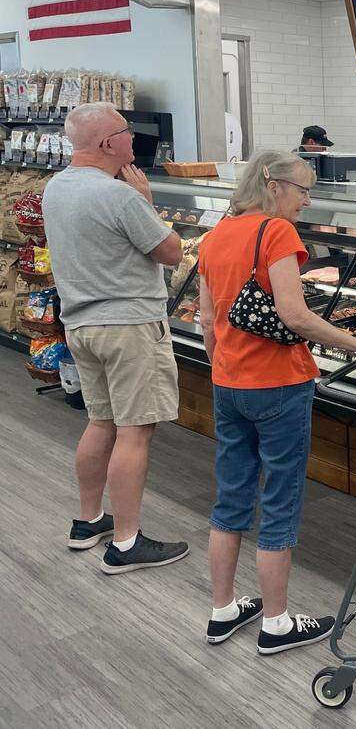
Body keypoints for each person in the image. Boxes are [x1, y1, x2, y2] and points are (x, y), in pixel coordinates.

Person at [196, 151, 356, 653]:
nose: (306, 201)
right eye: (303, 190)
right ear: (273, 184)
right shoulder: (276, 232)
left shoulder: (216, 235)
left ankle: (222, 610)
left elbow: (207, 320)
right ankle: (276, 623)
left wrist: (224, 369)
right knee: (279, 503)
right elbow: (295, 316)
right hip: (279, 385)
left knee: (230, 498)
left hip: (228, 385)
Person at [42, 103, 189, 574]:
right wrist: (145, 200)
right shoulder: (120, 196)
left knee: (100, 422)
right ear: (108, 143)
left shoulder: (56, 187)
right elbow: (170, 251)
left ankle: (88, 521)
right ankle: (126, 543)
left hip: (81, 324)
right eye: (127, 132)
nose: (134, 140)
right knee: (135, 431)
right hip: (129, 327)